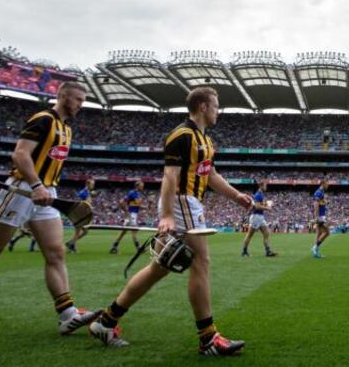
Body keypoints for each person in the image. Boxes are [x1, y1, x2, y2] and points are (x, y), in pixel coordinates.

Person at [88, 87, 252, 355]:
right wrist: (166, 215)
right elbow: (169, 177)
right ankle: (208, 339)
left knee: (159, 268)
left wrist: (236, 196)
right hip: (181, 201)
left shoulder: (205, 140)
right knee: (201, 261)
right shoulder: (182, 135)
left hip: (190, 202)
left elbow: (209, 175)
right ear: (202, 107)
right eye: (215, 105)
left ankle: (106, 321)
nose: (218, 111)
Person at [0, 81, 96, 341]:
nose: (80, 105)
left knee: (56, 252)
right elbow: (20, 154)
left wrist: (44, 189)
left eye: (82, 100)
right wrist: (35, 184)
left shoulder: (66, 128)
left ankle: (67, 315)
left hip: (46, 194)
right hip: (22, 191)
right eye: (77, 99)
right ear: (63, 96)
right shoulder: (43, 119)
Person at [241, 180, 277, 257]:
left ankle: (268, 251)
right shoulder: (258, 195)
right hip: (256, 217)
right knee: (250, 235)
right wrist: (267, 208)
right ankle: (244, 251)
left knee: (266, 233)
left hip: (260, 217)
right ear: (261, 186)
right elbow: (257, 206)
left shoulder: (261, 195)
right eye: (265, 185)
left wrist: (267, 203)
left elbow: (259, 205)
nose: (266, 187)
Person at [110, 181, 146, 254]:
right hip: (131, 215)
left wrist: (146, 207)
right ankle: (138, 248)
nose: (143, 187)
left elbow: (138, 205)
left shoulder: (136, 194)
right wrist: (126, 212)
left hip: (133, 214)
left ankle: (114, 246)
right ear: (137, 186)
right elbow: (122, 202)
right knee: (134, 231)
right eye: (142, 185)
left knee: (124, 232)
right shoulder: (133, 193)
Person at [65, 178, 95, 253]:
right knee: (78, 231)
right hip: (79, 215)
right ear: (88, 184)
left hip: (82, 215)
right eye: (92, 184)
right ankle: (71, 246)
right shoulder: (83, 193)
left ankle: (70, 243)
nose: (93, 186)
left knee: (84, 231)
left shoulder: (87, 192)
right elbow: (80, 204)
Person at [310, 180, 329, 258]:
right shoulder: (318, 192)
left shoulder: (321, 192)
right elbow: (315, 204)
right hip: (320, 216)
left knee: (319, 234)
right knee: (327, 232)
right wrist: (317, 217)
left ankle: (315, 253)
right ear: (323, 184)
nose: (328, 186)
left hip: (321, 215)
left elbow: (320, 203)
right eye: (327, 184)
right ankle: (314, 248)